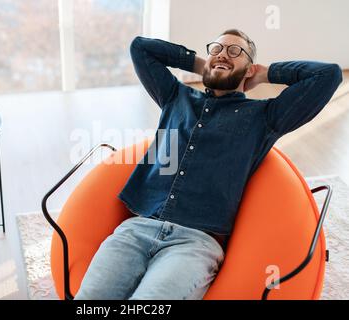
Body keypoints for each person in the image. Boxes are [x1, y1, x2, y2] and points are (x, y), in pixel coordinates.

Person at [74, 29, 343, 300]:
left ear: (249, 68)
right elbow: (140, 47)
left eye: (235, 51)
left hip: (194, 244)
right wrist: (204, 65)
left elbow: (328, 75)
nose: (223, 53)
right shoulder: (174, 97)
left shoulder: (264, 117)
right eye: (216, 49)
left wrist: (264, 74)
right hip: (138, 228)